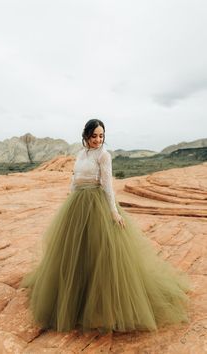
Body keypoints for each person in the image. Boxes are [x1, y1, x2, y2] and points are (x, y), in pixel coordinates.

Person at [19, 119, 192, 334]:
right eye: (94, 136)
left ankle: (99, 305)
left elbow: (108, 185)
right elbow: (74, 179)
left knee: (101, 255)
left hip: (97, 205)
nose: (98, 140)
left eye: (101, 136)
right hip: (77, 204)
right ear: (86, 136)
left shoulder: (104, 156)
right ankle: (77, 299)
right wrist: (70, 200)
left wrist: (113, 211)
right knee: (76, 253)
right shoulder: (81, 155)